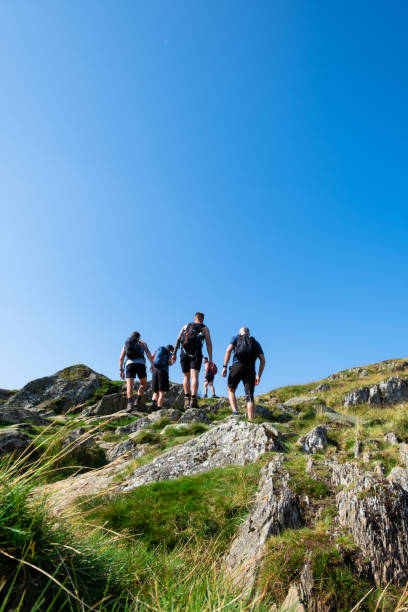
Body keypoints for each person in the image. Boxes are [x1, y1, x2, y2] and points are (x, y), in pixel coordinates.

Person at [222, 327, 265, 421]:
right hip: (250, 368)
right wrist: (259, 375)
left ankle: (235, 412)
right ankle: (251, 420)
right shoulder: (255, 342)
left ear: (239, 333)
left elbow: (228, 351)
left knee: (231, 390)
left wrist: (224, 366)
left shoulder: (236, 338)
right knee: (249, 396)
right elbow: (263, 360)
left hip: (237, 366)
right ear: (249, 333)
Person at [173, 312, 213, 409]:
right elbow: (209, 344)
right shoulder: (205, 328)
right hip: (196, 354)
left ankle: (187, 400)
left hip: (184, 353)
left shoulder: (186, 326)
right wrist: (210, 358)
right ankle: (194, 401)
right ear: (202, 319)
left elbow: (178, 339)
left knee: (186, 377)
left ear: (195, 318)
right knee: (194, 376)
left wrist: (174, 353)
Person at [119, 331, 155, 412]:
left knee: (129, 385)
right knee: (143, 383)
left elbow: (121, 358)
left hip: (129, 364)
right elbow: (148, 353)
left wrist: (121, 370)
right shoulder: (142, 343)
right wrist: (152, 364)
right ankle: (138, 400)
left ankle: (129, 404)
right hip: (141, 364)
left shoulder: (127, 343)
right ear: (139, 337)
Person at [151, 344, 174, 410]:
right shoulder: (169, 353)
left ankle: (153, 404)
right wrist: (172, 361)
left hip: (155, 370)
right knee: (161, 392)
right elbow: (170, 363)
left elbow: (152, 357)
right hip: (163, 372)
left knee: (156, 391)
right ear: (171, 350)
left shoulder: (158, 350)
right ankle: (159, 409)